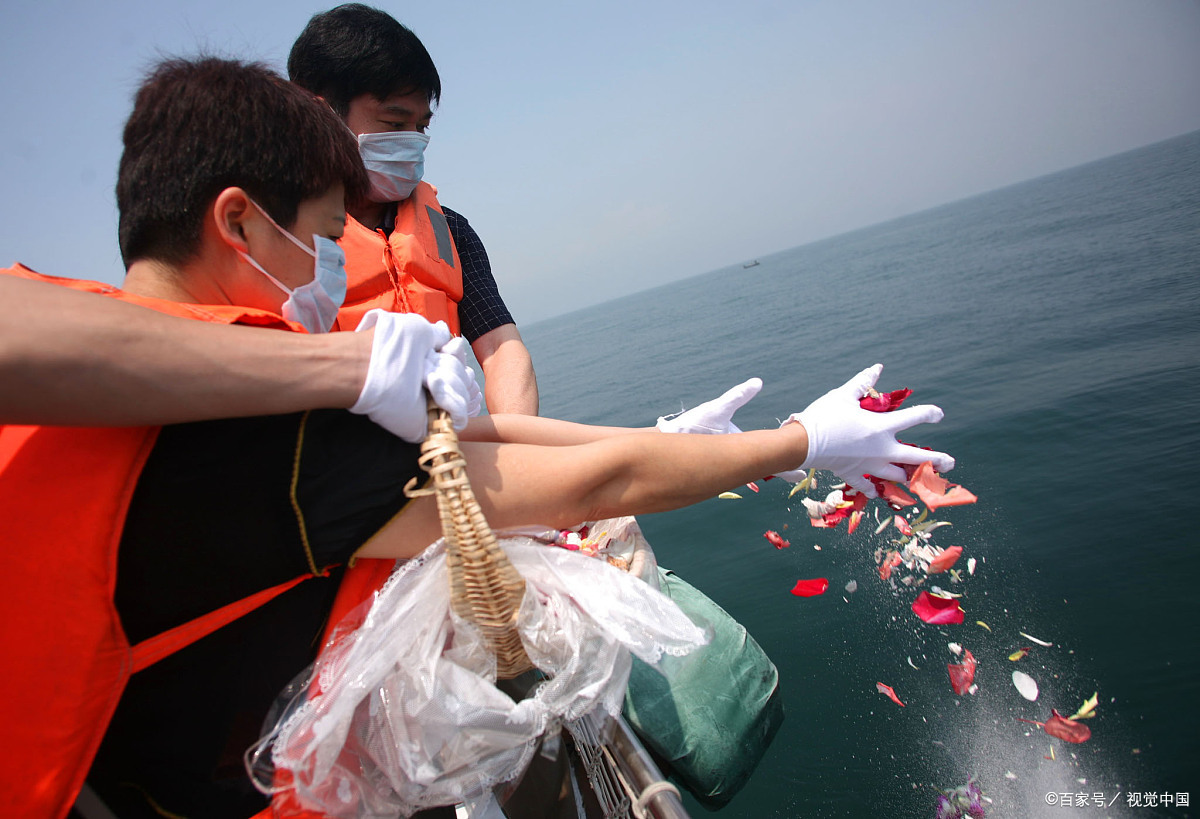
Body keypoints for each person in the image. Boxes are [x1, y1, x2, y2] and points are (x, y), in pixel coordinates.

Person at [0, 58, 953, 819]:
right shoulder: (279, 446)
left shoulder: (78, 381)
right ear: (239, 221)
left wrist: (663, 429)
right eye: (326, 236)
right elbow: (589, 484)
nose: (333, 269)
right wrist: (799, 443)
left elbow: (482, 428)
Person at [289, 3, 540, 416]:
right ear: (320, 114)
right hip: (338, 460)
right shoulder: (276, 233)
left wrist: (517, 439)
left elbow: (500, 348)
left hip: (450, 449)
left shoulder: (451, 231)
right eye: (393, 123)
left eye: (421, 126)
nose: (411, 141)